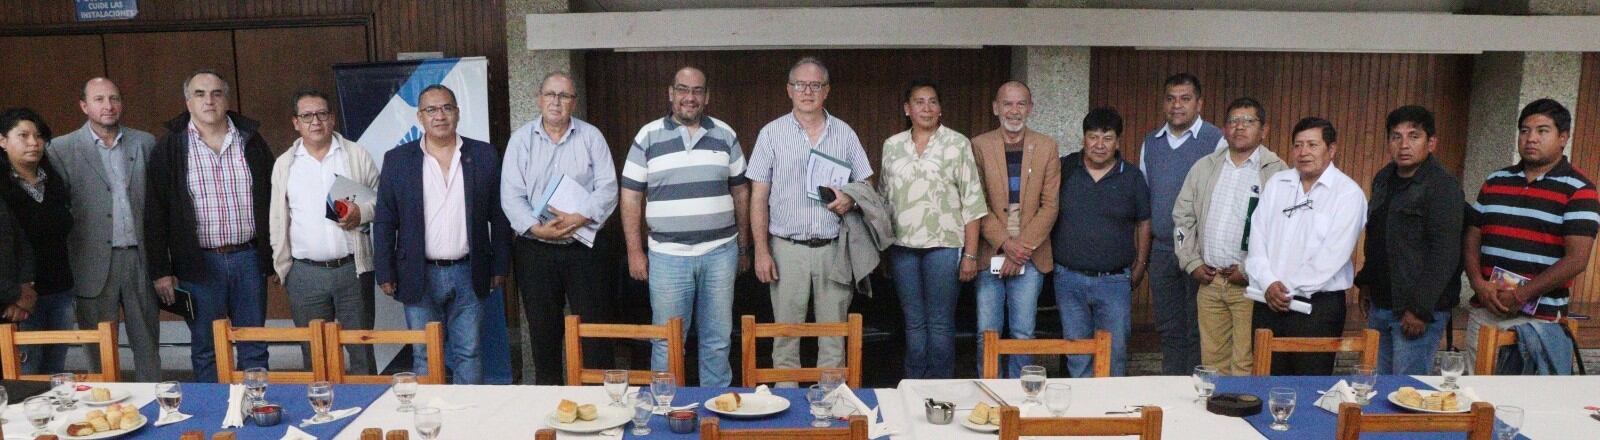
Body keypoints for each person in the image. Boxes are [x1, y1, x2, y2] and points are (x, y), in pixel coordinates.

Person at [374, 84, 511, 385]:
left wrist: (500, 266)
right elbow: (385, 220)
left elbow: (499, 217)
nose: (440, 116)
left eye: (447, 108)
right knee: (424, 353)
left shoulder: (484, 155)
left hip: (469, 270)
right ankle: (431, 421)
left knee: (469, 352)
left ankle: (467, 423)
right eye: (431, 110)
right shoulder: (398, 160)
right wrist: (384, 269)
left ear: (458, 113)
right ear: (419, 117)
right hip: (418, 272)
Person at [747, 57, 874, 383]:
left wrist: (850, 198)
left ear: (826, 90)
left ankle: (831, 409)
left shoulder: (844, 133)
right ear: (789, 90)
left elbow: (867, 186)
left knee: (833, 336)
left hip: (834, 248)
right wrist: (761, 250)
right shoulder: (771, 134)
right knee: (785, 336)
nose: (807, 91)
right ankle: (787, 412)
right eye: (800, 84)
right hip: (786, 250)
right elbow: (758, 197)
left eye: (815, 85)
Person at [620, 67, 748, 387]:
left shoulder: (725, 134)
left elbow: (742, 192)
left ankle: (714, 414)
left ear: (707, 97)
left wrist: (744, 247)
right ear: (671, 93)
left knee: (717, 340)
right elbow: (631, 198)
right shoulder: (647, 136)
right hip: (667, 256)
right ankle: (666, 410)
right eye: (682, 89)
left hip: (720, 253)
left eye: (697, 91)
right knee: (667, 340)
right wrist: (635, 252)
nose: (689, 97)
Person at [145, 70, 275, 382]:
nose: (209, 100)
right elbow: (155, 212)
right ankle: (216, 416)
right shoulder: (171, 147)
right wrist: (161, 270)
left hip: (248, 258)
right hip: (198, 264)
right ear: (188, 102)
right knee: (206, 347)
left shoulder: (252, 141)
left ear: (227, 99)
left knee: (253, 343)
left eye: (217, 93)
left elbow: (275, 198)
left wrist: (275, 256)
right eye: (200, 94)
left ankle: (258, 411)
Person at [1462, 98, 1598, 373]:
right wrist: (1478, 282)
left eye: (1542, 131)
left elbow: (1577, 260)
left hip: (1538, 321)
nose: (1531, 138)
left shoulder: (1580, 190)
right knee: (1474, 396)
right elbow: (1473, 237)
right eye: (1524, 131)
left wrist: (1522, 295)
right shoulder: (1496, 181)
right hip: (1486, 309)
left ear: (1563, 138)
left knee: (1521, 401)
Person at [502, 72, 618, 385]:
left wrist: (581, 216)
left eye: (564, 96)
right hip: (535, 249)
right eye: (551, 94)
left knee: (593, 331)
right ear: (539, 99)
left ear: (574, 102)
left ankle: (597, 398)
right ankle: (549, 401)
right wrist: (535, 229)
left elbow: (608, 188)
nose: (556, 101)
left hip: (583, 247)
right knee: (543, 331)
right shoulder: (521, 140)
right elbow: (511, 195)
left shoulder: (591, 137)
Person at [46, 78, 163, 382]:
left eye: (113, 98)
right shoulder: (61, 148)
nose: (108, 106)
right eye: (99, 99)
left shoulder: (145, 143)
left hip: (140, 257)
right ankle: (107, 408)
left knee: (148, 344)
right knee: (99, 352)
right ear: (84, 106)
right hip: (91, 261)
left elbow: (158, 205)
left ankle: (154, 407)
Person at [881, 79, 987, 379]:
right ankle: (915, 387)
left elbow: (973, 202)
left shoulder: (957, 144)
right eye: (919, 101)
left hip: (944, 246)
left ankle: (941, 390)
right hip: (902, 248)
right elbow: (884, 199)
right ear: (907, 108)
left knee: (940, 323)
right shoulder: (892, 146)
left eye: (932, 102)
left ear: (940, 109)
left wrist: (970, 254)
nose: (926, 108)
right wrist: (883, 249)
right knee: (913, 323)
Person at [268, 89, 380, 375]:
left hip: (351, 269)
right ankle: (323, 412)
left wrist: (362, 213)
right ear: (296, 122)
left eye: (322, 114)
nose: (315, 121)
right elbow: (277, 219)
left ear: (332, 118)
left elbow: (382, 200)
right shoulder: (285, 164)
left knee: (361, 349)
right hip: (305, 273)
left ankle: (368, 412)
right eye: (307, 116)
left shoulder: (355, 155)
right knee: (315, 353)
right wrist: (282, 267)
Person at [1173, 97, 1287, 376]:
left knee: (1246, 362)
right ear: (1224, 129)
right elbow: (1181, 218)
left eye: (1249, 121)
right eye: (1234, 121)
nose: (1240, 127)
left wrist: (1249, 271)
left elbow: (1284, 232)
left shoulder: (1278, 172)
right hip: (1210, 282)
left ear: (1264, 130)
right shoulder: (1204, 167)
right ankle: (1216, 415)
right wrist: (1191, 263)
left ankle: (1242, 416)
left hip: (1250, 287)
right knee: (1212, 363)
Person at [1245, 117, 1366, 376]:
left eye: (1312, 144)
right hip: (1268, 302)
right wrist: (1268, 283)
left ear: (1331, 150)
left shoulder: (1347, 193)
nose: (1304, 152)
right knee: (1265, 384)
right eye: (1298, 145)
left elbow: (1333, 255)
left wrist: (1286, 289)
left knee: (1309, 387)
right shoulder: (1278, 184)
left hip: (1317, 308)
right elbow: (1257, 238)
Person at [1353, 105, 1464, 375]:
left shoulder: (1443, 187)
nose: (1404, 145)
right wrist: (1366, 282)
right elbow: (1377, 236)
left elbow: (1446, 253)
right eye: (1396, 136)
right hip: (1381, 303)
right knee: (1373, 387)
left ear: (1431, 143)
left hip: (1417, 312)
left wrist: (1420, 308)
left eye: (1414, 136)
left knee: (1406, 392)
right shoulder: (1383, 179)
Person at [970, 81, 1060, 378]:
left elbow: (1050, 205)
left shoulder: (1047, 147)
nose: (1014, 110)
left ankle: (1020, 401)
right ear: (996, 108)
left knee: (1023, 332)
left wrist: (1020, 248)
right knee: (988, 332)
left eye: (1021, 104)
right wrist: (1004, 243)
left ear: (1030, 108)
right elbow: (976, 201)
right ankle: (990, 393)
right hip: (990, 253)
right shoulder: (979, 146)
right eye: (1007, 104)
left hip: (1029, 255)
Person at [1140, 73, 1227, 375]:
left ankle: (1196, 391)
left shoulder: (1216, 140)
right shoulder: (1150, 143)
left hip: (1201, 254)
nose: (1177, 105)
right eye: (1171, 98)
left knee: (1198, 327)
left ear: (1199, 103)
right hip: (1163, 250)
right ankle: (1171, 389)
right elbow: (1146, 201)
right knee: (1168, 327)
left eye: (1185, 99)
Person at [1053, 108, 1149, 378]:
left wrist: (1140, 264)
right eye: (1093, 137)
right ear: (1083, 138)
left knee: (1114, 354)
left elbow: (1144, 222)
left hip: (1114, 282)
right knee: (1077, 354)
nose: (1099, 144)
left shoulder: (1131, 177)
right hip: (1068, 279)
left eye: (1107, 138)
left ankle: (1110, 414)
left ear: (1118, 142)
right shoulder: (1065, 168)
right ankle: (1082, 416)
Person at [0, 108, 76, 374]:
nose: (33, 142)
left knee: (56, 372)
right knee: (27, 374)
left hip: (60, 290)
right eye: (23, 135)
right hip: (18, 298)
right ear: (2, 141)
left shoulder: (53, 181)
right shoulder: (3, 187)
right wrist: (12, 295)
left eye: (39, 135)